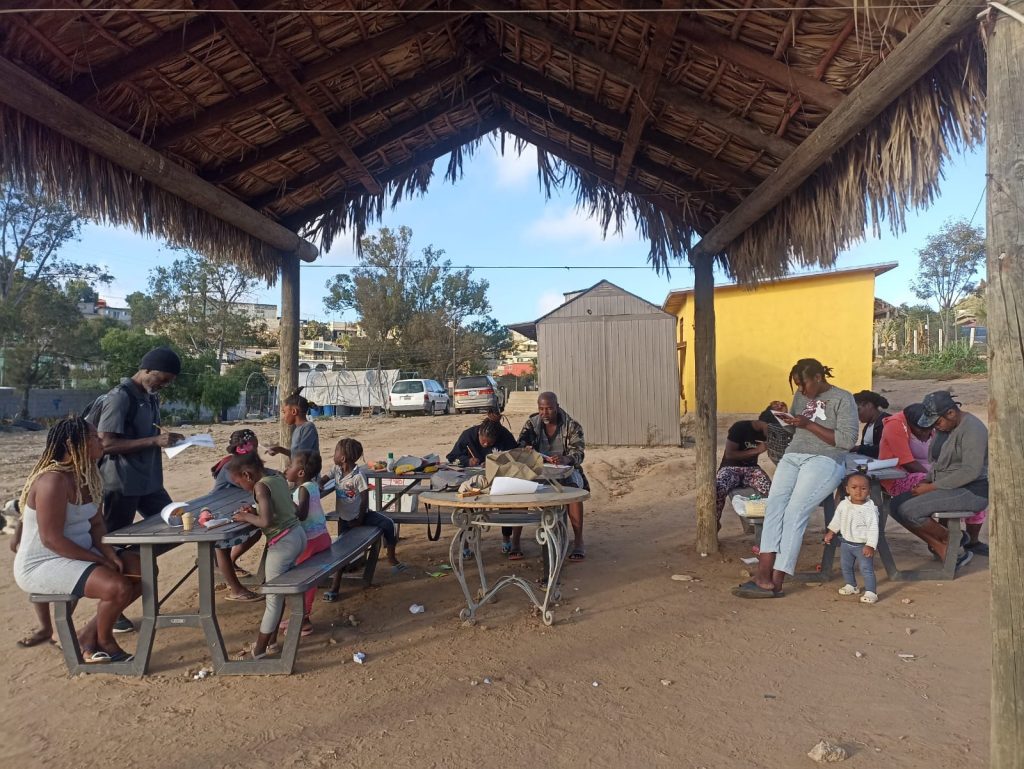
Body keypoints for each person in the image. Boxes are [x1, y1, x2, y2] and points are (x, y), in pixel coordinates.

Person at [13, 417, 142, 663]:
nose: (101, 440)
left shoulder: (88, 476)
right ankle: (105, 640)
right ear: (73, 444)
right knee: (117, 587)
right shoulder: (52, 481)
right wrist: (99, 560)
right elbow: (51, 540)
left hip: (79, 552)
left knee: (141, 569)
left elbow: (97, 524)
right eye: (94, 437)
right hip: (44, 562)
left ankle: (87, 635)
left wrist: (109, 554)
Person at [733, 359, 857, 598]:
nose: (800, 390)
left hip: (825, 459)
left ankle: (777, 581)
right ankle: (763, 574)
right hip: (793, 456)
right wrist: (783, 416)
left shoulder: (843, 398)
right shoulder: (801, 397)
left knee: (794, 512)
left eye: (803, 384)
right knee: (774, 508)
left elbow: (846, 440)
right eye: (797, 385)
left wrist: (809, 424)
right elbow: (795, 430)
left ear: (818, 377)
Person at [93, 346, 184, 633]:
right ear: (146, 369)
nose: (163, 385)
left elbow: (147, 434)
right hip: (120, 483)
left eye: (168, 382)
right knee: (112, 545)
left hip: (149, 481)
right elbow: (105, 444)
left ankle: (134, 557)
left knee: (178, 527)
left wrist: (167, 439)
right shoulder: (119, 398)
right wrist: (153, 442)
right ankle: (112, 608)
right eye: (162, 379)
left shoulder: (149, 396)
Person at [889, 391, 987, 567]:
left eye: (937, 422)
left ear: (951, 413)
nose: (935, 427)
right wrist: (926, 480)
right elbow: (938, 463)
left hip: (972, 490)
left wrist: (931, 487)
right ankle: (946, 545)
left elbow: (970, 471)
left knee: (909, 511)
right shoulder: (945, 427)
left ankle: (952, 542)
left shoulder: (973, 429)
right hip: (947, 486)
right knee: (895, 505)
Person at [228, 451, 306, 660]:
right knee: (278, 593)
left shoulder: (260, 487)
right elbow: (285, 508)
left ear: (247, 475)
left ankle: (260, 650)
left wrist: (245, 516)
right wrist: (254, 510)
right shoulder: (277, 479)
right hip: (298, 535)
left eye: (239, 483)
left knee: (272, 598)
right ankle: (271, 642)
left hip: (282, 543)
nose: (242, 487)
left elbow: (266, 522)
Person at [322, 438, 406, 602]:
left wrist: (359, 520)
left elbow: (364, 500)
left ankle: (391, 557)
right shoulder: (337, 470)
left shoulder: (358, 476)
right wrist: (320, 482)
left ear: (343, 458)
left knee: (388, 524)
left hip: (361, 516)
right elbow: (326, 477)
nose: (334, 455)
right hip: (344, 518)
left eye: (336, 452)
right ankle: (335, 587)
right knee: (342, 552)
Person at [518, 392, 588, 561]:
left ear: (557, 407)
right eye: (541, 409)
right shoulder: (532, 424)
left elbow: (579, 454)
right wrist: (526, 450)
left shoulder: (572, 426)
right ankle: (515, 541)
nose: (545, 413)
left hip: (566, 470)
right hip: (538, 470)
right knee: (519, 488)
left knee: (574, 492)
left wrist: (566, 459)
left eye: (549, 408)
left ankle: (578, 540)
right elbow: (520, 445)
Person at [208, 429, 266, 602]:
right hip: (219, 509)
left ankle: (229, 564)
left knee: (255, 532)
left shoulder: (243, 464)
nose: (256, 451)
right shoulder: (231, 466)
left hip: (233, 507)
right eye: (254, 447)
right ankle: (236, 589)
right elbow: (254, 480)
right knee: (221, 546)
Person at [285, 451, 332, 636]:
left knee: (303, 580)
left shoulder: (303, 489)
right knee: (307, 579)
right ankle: (299, 615)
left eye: (290, 466)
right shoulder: (312, 486)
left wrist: (285, 500)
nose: (286, 468)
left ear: (300, 472)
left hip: (310, 541)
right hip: (322, 537)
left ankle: (303, 620)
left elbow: (302, 514)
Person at [714, 408, 778, 527]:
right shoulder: (740, 428)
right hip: (730, 468)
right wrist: (757, 450)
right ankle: (714, 523)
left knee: (770, 490)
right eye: (772, 429)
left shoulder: (767, 434)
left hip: (751, 469)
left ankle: (770, 524)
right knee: (718, 488)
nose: (773, 433)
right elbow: (730, 454)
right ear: (764, 423)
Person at [823, 473, 880, 604]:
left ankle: (871, 592)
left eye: (863, 488)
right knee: (846, 566)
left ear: (869, 491)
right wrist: (831, 532)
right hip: (846, 543)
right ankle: (851, 585)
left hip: (862, 546)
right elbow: (837, 520)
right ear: (847, 489)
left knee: (866, 569)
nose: (858, 491)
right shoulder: (843, 504)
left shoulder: (870, 509)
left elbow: (873, 528)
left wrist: (870, 545)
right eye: (854, 487)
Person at [10, 502, 55, 648]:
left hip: (71, 530)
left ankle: (59, 629)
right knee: (37, 575)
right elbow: (26, 503)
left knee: (70, 581)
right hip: (41, 531)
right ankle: (46, 628)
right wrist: (18, 532)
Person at [447, 410, 517, 467]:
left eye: (490, 443)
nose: (486, 444)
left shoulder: (506, 436)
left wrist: (495, 463)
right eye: (483, 441)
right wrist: (467, 461)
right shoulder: (468, 436)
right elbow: (452, 457)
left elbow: (516, 456)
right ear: (479, 433)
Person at [266, 387, 319, 460]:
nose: (283, 417)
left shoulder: (308, 427)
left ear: (294, 411)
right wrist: (280, 449)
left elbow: (301, 456)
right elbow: (295, 453)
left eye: (284, 412)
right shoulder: (298, 429)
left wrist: (292, 467)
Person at [851, 390, 891, 458]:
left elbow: (886, 448)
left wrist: (857, 448)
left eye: (858, 410)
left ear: (869, 405)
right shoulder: (867, 426)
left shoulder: (887, 422)